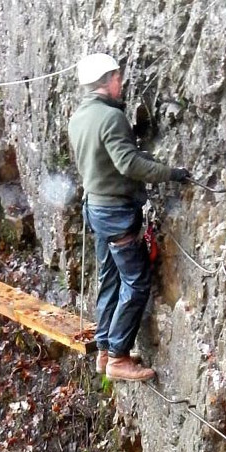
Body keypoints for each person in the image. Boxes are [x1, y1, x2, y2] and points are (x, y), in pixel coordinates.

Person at [68, 53, 190, 381]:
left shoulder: (79, 117)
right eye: (117, 78)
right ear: (106, 81)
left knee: (109, 278)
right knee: (135, 282)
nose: (120, 83)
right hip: (115, 212)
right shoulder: (110, 118)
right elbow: (128, 165)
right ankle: (119, 357)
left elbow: (105, 161)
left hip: (96, 208)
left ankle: (105, 349)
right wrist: (172, 173)